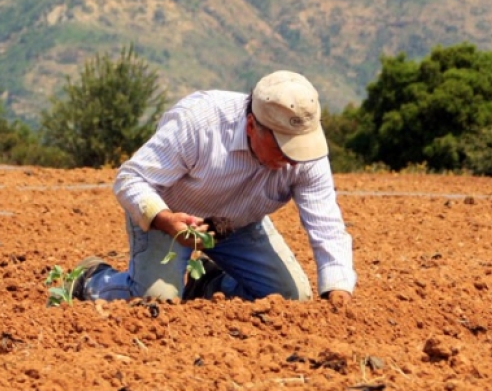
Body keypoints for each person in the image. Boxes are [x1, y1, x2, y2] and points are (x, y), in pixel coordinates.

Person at [71, 70, 356, 305]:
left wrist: (338, 288)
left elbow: (326, 224)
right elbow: (131, 178)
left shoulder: (306, 153)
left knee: (291, 298)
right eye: (282, 146)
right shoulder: (199, 123)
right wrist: (165, 220)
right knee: (156, 301)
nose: (292, 157)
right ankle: (92, 280)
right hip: (170, 218)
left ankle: (209, 283)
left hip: (237, 225)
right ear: (251, 126)